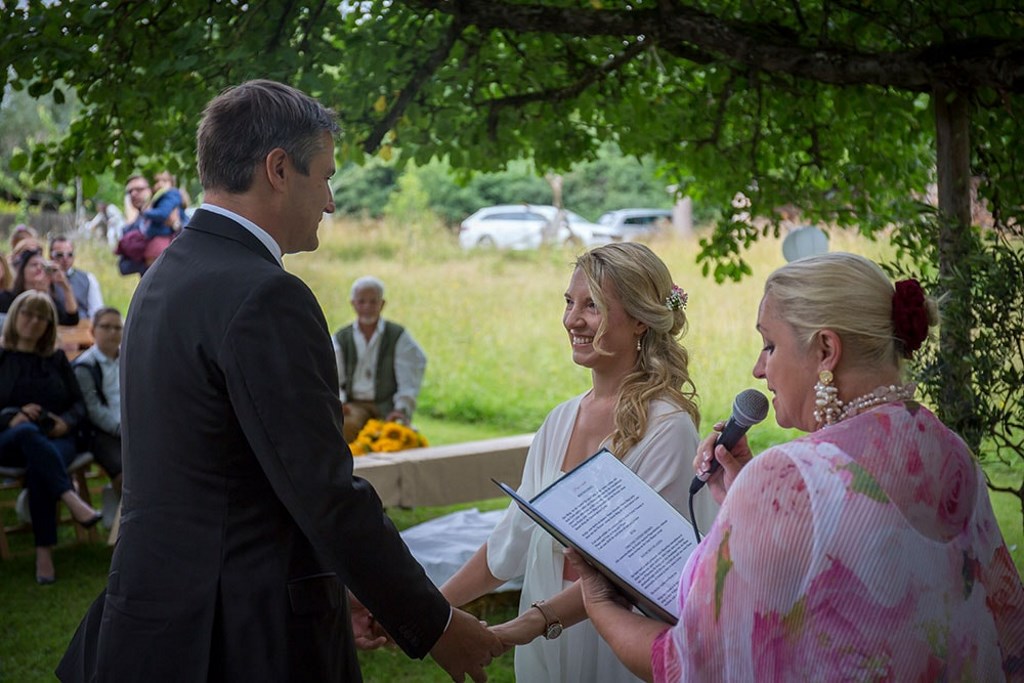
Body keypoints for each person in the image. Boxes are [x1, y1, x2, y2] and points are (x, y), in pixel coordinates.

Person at [57, 79, 501, 683]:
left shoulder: (165, 276)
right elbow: (324, 489)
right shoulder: (266, 295)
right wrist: (436, 624)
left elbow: (231, 470)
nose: (331, 201)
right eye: (325, 175)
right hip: (241, 632)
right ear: (278, 169)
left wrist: (335, 579)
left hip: (157, 616)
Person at [570, 252, 1024, 681]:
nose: (757, 369)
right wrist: (745, 500)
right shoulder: (949, 450)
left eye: (769, 345)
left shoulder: (790, 477)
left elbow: (686, 664)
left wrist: (597, 601)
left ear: (826, 350)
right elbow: (1006, 628)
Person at [440, 242, 713, 682]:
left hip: (617, 639)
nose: (573, 320)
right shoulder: (560, 420)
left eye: (594, 306)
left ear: (642, 319)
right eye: (570, 302)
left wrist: (528, 624)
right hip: (545, 633)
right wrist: (430, 611)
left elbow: (634, 569)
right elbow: (510, 543)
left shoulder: (668, 427)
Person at [0, 290, 101, 584]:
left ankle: (43, 552)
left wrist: (64, 423)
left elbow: (79, 404)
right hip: (9, 440)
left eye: (42, 318)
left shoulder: (56, 359)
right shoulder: (2, 357)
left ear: (49, 326)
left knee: (40, 464)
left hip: (56, 439)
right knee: (28, 432)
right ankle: (69, 497)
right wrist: (11, 417)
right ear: (16, 315)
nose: (33, 322)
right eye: (28, 314)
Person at [334, 275, 427, 443]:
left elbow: (410, 374)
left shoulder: (397, 336)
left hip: (387, 405)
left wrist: (401, 408)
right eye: (362, 301)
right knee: (345, 427)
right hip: (354, 405)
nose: (367, 307)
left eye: (373, 301)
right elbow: (332, 374)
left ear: (382, 304)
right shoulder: (342, 338)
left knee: (401, 436)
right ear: (353, 303)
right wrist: (340, 402)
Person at [72, 307, 123, 524]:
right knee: (125, 472)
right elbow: (93, 410)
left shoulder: (129, 357)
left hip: (133, 427)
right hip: (101, 433)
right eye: (106, 327)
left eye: (117, 327)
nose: (112, 332)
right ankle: (124, 523)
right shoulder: (85, 366)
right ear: (93, 331)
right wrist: (122, 429)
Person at [0, 249, 79, 325]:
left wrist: (66, 287)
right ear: (23, 270)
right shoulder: (5, 298)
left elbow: (71, 320)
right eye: (34, 265)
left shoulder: (47, 300)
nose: (39, 268)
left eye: (43, 266)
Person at [48, 236, 104, 319]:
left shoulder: (88, 278)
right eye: (59, 255)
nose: (65, 258)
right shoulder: (44, 277)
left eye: (69, 254)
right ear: (50, 256)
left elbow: (97, 311)